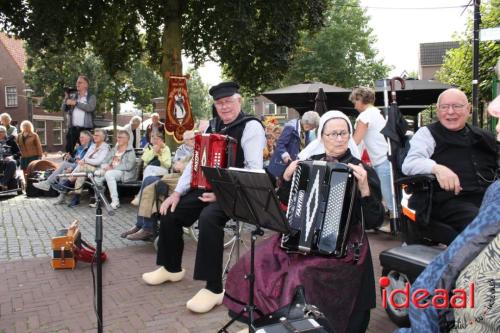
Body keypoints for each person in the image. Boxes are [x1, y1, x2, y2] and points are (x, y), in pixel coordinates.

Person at [224, 111, 385, 333]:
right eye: (332, 134)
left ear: (349, 135)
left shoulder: (361, 170)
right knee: (256, 259)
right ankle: (268, 321)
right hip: (302, 237)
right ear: (322, 137)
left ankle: (303, 323)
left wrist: (365, 189)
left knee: (300, 272)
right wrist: (287, 178)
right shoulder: (308, 164)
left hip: (345, 244)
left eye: (343, 133)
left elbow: (375, 219)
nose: (338, 138)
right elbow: (284, 201)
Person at [141, 81, 266, 314]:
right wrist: (177, 192)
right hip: (208, 188)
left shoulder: (251, 127)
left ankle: (214, 288)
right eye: (219, 103)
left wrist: (221, 195)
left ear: (239, 101)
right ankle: (171, 267)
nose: (224, 107)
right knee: (170, 211)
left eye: (228, 101)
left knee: (209, 219)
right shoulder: (212, 127)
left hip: (237, 193)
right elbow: (195, 164)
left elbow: (253, 169)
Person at [402, 88, 498, 234]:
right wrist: (437, 168)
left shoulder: (485, 136)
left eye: (457, 106)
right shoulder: (427, 134)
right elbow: (409, 164)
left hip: (487, 197)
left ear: (469, 109)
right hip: (449, 201)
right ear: (438, 110)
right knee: (485, 223)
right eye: (445, 107)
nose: (450, 112)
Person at [350, 86, 394, 216]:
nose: (354, 106)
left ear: (360, 99)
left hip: (381, 161)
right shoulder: (377, 113)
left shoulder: (365, 116)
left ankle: (398, 228)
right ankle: (395, 225)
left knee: (389, 198)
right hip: (386, 159)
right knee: (390, 196)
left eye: (355, 102)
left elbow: (355, 141)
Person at [33, 131, 93, 195]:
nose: (80, 139)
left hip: (82, 168)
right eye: (80, 137)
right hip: (76, 166)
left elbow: (86, 162)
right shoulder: (80, 148)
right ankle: (61, 196)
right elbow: (75, 160)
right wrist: (70, 158)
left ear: (88, 138)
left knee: (64, 164)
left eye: (82, 137)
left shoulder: (91, 148)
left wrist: (72, 167)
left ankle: (48, 183)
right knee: (64, 170)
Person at [65, 129, 111, 207]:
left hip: (100, 170)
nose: (95, 136)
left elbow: (98, 162)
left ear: (103, 137)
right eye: (94, 135)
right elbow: (83, 160)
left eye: (97, 135)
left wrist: (86, 161)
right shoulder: (93, 146)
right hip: (88, 169)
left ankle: (68, 184)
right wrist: (73, 172)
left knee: (83, 166)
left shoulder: (105, 147)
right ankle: (76, 198)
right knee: (81, 174)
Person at [267, 111, 320, 178]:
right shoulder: (291, 127)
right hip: (282, 165)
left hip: (292, 165)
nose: (312, 129)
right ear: (306, 122)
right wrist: (285, 156)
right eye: (312, 126)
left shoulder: (306, 130)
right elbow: (280, 143)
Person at [93, 130, 137, 209]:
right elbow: (105, 160)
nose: (118, 139)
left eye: (121, 137)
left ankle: (115, 202)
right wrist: (104, 166)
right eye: (117, 137)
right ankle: (98, 201)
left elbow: (129, 166)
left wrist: (113, 168)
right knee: (97, 176)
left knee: (109, 174)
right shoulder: (114, 149)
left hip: (124, 173)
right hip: (110, 170)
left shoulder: (130, 151)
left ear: (127, 139)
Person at [129, 133, 171, 206]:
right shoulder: (148, 148)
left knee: (149, 169)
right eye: (153, 138)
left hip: (162, 170)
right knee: (149, 172)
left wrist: (159, 153)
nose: (155, 141)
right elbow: (145, 160)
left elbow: (167, 165)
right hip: (149, 171)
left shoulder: (166, 149)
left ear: (162, 140)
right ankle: (146, 199)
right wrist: (153, 152)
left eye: (157, 139)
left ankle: (140, 196)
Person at [62, 75, 96, 154]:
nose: (77, 84)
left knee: (86, 151)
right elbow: (64, 109)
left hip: (85, 129)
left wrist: (76, 103)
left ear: (86, 85)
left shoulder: (91, 97)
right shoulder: (73, 96)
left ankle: (83, 165)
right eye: (77, 82)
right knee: (68, 150)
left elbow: (90, 108)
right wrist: (66, 98)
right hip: (72, 129)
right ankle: (69, 165)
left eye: (80, 82)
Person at [0, 125, 20, 190]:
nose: (0, 133)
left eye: (1, 132)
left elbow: (19, 153)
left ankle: (3, 184)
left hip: (9, 161)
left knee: (12, 162)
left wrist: (11, 156)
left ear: (5, 132)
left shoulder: (10, 141)